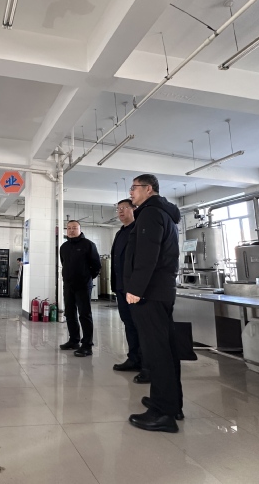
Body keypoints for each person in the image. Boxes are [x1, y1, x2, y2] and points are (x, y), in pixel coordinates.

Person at [124, 174, 183, 433]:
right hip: (162, 291)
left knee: (156, 352)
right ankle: (172, 402)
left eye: (134, 188)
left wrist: (136, 289)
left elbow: (148, 255)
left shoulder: (150, 213)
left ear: (148, 189)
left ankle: (162, 412)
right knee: (165, 349)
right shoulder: (164, 214)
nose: (131, 192)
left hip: (150, 292)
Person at [110, 198, 148, 382]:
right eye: (118, 209)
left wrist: (137, 286)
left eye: (124, 208)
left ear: (134, 209)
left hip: (134, 289)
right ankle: (134, 359)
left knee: (141, 326)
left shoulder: (139, 230)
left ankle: (147, 364)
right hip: (121, 288)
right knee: (129, 324)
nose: (120, 211)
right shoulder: (120, 233)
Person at [59, 220, 101, 357]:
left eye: (74, 228)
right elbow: (64, 263)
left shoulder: (88, 245)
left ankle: (87, 345)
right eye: (69, 228)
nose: (71, 230)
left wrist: (86, 278)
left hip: (83, 286)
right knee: (70, 313)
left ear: (80, 229)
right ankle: (74, 340)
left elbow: (96, 266)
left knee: (84, 314)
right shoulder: (64, 247)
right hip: (68, 285)